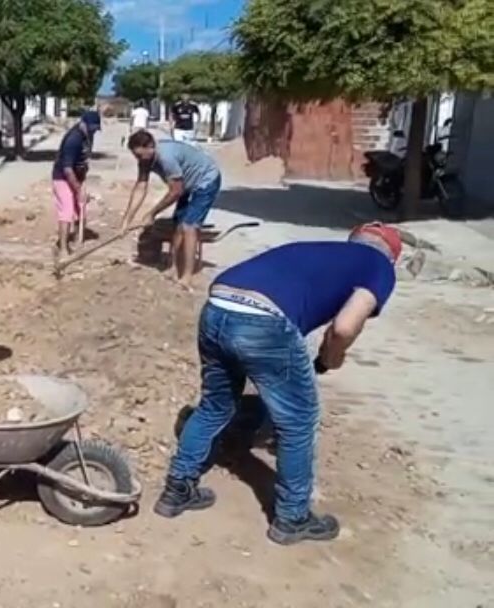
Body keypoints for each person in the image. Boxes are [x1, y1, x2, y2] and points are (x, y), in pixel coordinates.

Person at [155, 223, 403, 546]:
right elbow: (344, 328)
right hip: (263, 321)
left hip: (217, 306)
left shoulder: (320, 250)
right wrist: (331, 359)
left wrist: (323, 355)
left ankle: (176, 491)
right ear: (392, 257)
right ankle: (292, 518)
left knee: (216, 405)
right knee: (298, 421)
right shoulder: (379, 266)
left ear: (353, 239)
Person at [120, 130, 222, 286]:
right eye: (136, 156)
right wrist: (126, 220)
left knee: (189, 226)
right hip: (186, 184)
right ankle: (173, 268)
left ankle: (186, 277)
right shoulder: (145, 161)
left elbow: (176, 191)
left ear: (150, 147)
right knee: (177, 225)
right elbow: (141, 186)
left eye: (141, 155)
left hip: (205, 180)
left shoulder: (166, 157)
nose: (139, 160)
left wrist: (152, 213)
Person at [51, 110, 101, 255]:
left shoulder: (88, 136)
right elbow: (67, 169)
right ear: (82, 123)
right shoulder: (73, 140)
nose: (93, 132)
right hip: (63, 177)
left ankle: (79, 241)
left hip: (78, 176)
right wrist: (78, 190)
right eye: (91, 128)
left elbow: (83, 160)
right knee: (66, 211)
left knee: (81, 208)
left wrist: (82, 181)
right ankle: (63, 249)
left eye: (95, 129)